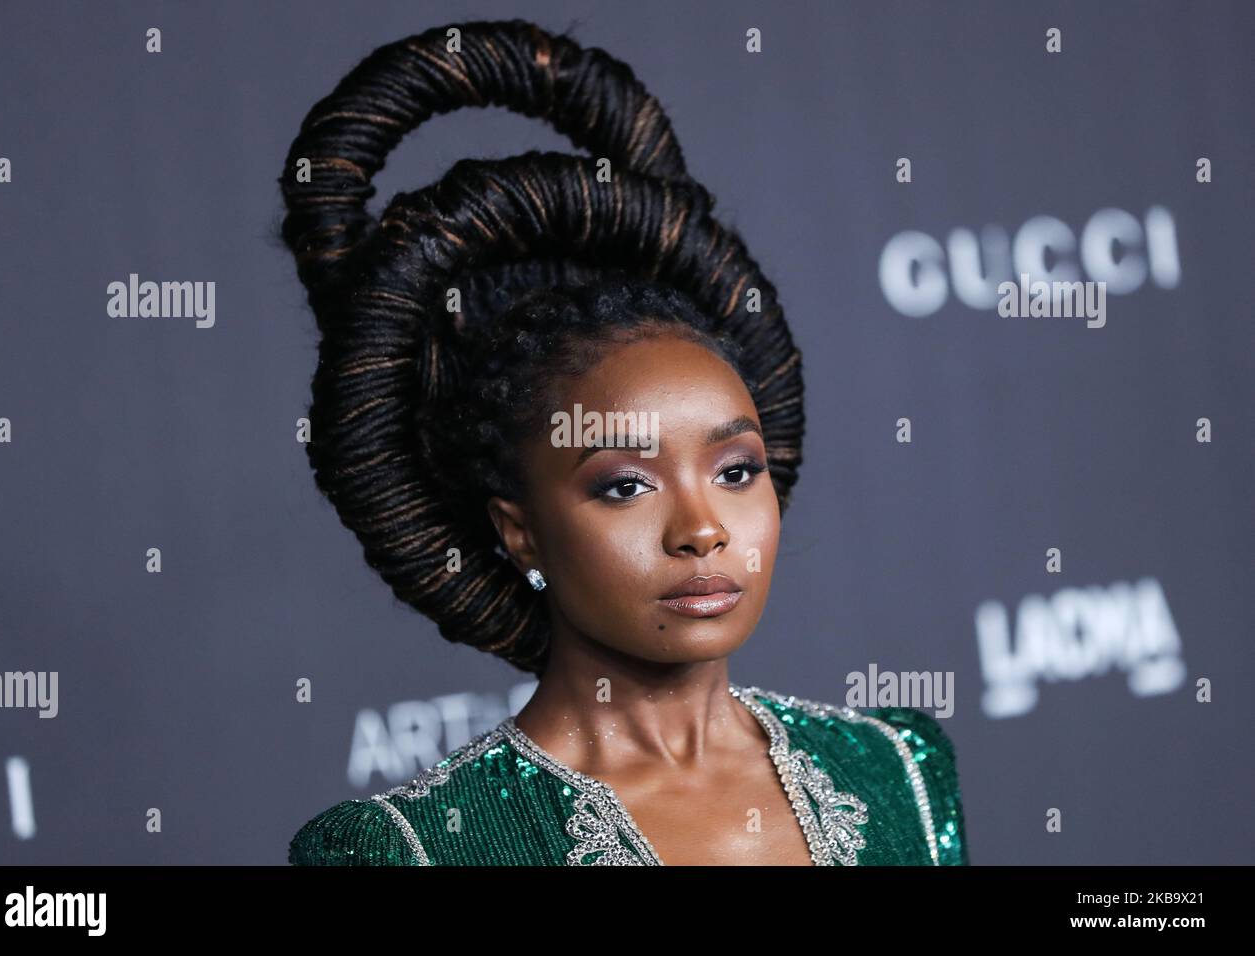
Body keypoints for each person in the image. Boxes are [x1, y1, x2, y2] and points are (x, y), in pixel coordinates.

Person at [277, 18, 967, 866]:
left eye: (735, 470)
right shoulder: (413, 851)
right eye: (624, 485)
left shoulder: (895, 769)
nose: (702, 529)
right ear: (518, 528)